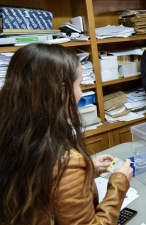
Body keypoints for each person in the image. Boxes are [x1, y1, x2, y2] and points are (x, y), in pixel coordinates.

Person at [0, 44, 133, 225]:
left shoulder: (12, 132)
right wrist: (119, 183)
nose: (81, 93)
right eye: (79, 85)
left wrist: (85, 172)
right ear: (61, 90)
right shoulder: (66, 161)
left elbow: (42, 184)